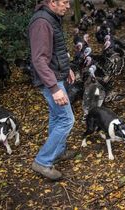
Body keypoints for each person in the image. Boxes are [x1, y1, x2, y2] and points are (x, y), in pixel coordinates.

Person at [29, 0, 76, 180]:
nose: (68, 5)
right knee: (66, 119)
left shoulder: (52, 18)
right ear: (52, 2)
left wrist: (66, 69)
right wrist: (55, 88)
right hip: (50, 80)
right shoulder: (42, 22)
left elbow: (55, 50)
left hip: (56, 75)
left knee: (57, 116)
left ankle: (58, 151)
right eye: (64, 2)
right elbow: (39, 59)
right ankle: (42, 162)